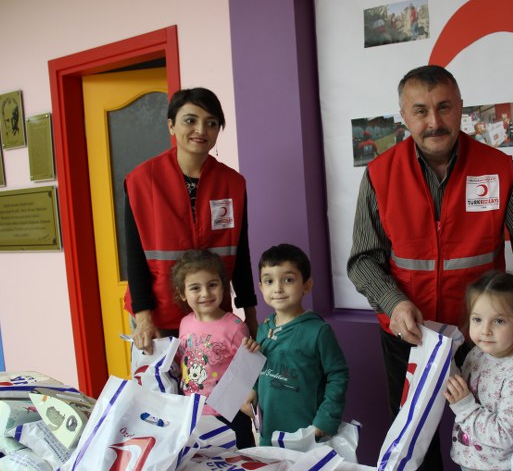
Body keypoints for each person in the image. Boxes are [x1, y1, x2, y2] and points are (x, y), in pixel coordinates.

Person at [347, 64, 513, 471]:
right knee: (415, 447)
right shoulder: (379, 175)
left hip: (483, 336)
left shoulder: (499, 168)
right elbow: (363, 260)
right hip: (409, 333)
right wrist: (395, 302)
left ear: (461, 108)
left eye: (444, 107)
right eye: (420, 111)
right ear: (404, 116)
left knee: (489, 444)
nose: (434, 121)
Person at [124, 87, 257, 353]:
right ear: (171, 125)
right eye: (190, 120)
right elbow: (135, 254)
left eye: (211, 123)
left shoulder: (233, 183)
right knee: (164, 392)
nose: (201, 130)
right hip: (158, 316)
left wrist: (250, 313)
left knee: (215, 390)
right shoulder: (141, 180)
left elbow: (240, 254)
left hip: (214, 315)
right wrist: (143, 317)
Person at [444, 271, 513, 471]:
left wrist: (464, 405)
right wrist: (443, 361)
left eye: (498, 321)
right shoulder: (477, 354)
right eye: (477, 319)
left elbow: (505, 436)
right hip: (469, 469)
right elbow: (460, 391)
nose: (485, 330)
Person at [252, 243, 349, 446]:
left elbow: (338, 375)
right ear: (261, 287)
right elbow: (256, 370)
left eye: (288, 280)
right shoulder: (263, 328)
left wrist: (326, 418)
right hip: (268, 433)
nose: (277, 288)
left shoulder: (318, 331)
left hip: (306, 435)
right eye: (269, 281)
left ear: (307, 285)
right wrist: (250, 392)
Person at [171, 249, 258, 448]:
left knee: (240, 464)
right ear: (182, 293)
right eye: (195, 288)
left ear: (224, 286)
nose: (205, 293)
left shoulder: (235, 327)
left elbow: (249, 371)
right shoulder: (184, 324)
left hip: (230, 415)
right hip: (194, 414)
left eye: (212, 285)